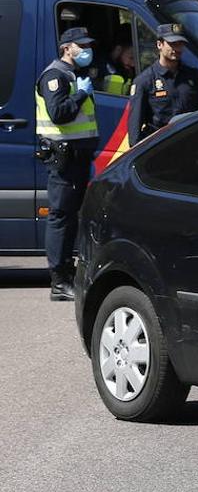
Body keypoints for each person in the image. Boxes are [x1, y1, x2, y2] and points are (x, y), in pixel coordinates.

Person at [36, 27, 98, 301]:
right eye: (81, 45)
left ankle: (68, 273)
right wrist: (81, 94)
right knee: (60, 216)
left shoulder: (73, 75)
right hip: (64, 157)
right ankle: (59, 281)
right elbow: (58, 113)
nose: (86, 50)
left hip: (78, 156)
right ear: (67, 48)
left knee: (71, 216)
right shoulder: (54, 76)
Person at [127, 23, 198, 145]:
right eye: (172, 44)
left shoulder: (194, 77)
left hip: (191, 145)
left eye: (180, 44)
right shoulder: (145, 81)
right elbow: (135, 130)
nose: (177, 48)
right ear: (159, 44)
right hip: (160, 147)